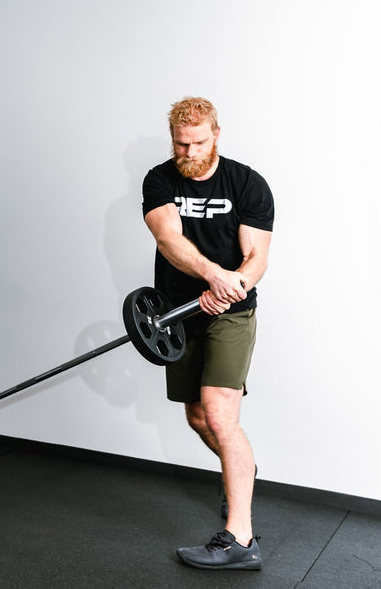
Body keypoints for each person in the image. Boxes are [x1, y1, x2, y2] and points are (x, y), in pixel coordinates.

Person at [141, 97, 274, 570]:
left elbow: (256, 257)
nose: (189, 150)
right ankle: (244, 471)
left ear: (216, 133)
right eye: (181, 142)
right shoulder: (160, 179)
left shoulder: (247, 183)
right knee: (197, 417)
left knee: (220, 414)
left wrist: (232, 284)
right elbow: (170, 241)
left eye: (198, 141)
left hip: (232, 313)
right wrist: (212, 274)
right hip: (178, 312)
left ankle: (241, 539)